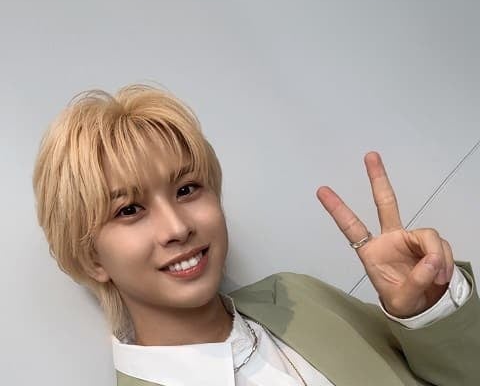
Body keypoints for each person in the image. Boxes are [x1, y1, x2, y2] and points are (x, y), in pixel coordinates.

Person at [32, 84, 479, 385]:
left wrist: (428, 313)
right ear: (91, 258)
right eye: (129, 210)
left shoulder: (297, 296)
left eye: (187, 189)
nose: (178, 227)